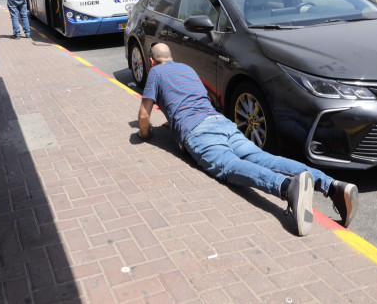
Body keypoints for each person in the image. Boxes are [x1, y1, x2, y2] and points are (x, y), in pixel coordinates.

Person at [136, 43, 359, 236]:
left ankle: (287, 188)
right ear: (171, 57)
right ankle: (333, 186)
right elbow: (194, 98)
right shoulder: (187, 69)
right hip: (218, 121)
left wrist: (145, 133)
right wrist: (174, 123)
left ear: (151, 60)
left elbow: (144, 116)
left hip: (198, 131)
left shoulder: (156, 72)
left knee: (229, 166)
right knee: (264, 158)